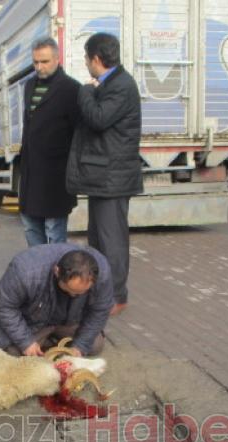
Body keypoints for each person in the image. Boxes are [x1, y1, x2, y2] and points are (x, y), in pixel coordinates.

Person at [66, 32, 142, 316]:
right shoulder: (112, 84)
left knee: (112, 242)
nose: (86, 65)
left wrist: (85, 91)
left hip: (114, 178)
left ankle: (115, 297)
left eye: (87, 59)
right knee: (98, 240)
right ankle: (100, 291)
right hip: (104, 178)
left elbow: (98, 119)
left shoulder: (121, 85)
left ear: (96, 59)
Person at [0, 244, 113, 357]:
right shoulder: (25, 271)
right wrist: (26, 342)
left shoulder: (101, 272)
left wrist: (80, 347)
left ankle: (48, 338)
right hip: (31, 317)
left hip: (69, 319)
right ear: (57, 272)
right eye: (70, 290)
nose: (74, 296)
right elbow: (4, 306)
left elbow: (100, 311)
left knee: (94, 345)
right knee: (13, 351)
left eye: (81, 293)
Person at [18, 37, 81, 247]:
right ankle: (37, 271)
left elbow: (78, 132)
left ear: (57, 59)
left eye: (44, 61)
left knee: (54, 233)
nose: (39, 67)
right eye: (35, 62)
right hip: (30, 173)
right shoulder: (29, 86)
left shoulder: (71, 89)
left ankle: (56, 276)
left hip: (56, 176)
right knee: (30, 226)